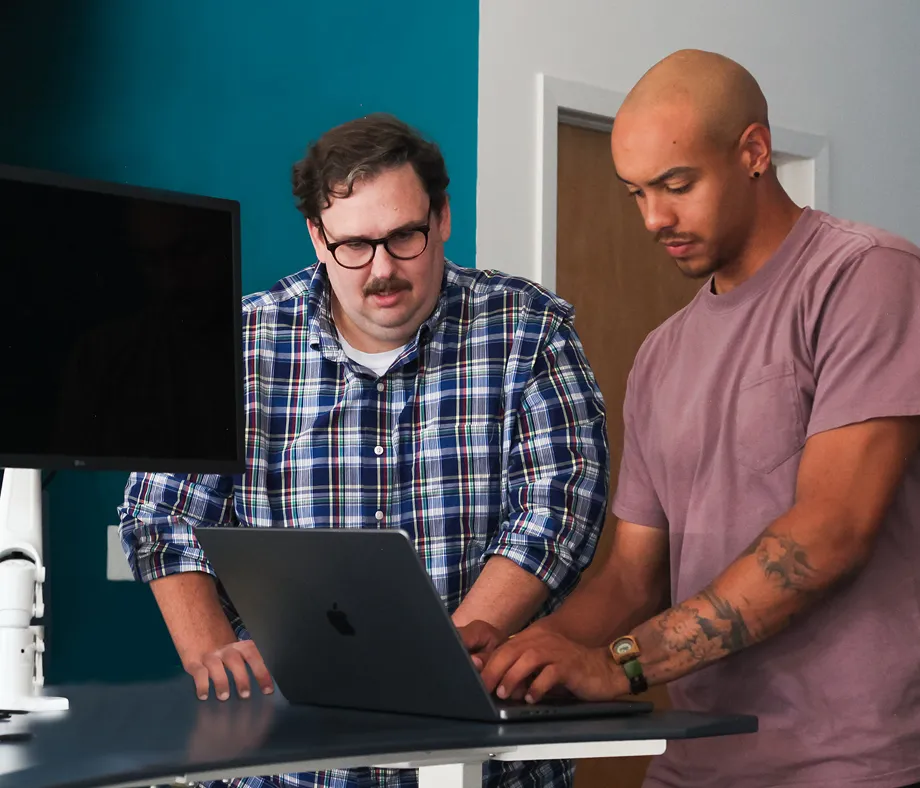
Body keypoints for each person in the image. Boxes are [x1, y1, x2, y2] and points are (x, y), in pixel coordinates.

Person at [464, 50, 920, 788]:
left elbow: (832, 531)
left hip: (848, 766)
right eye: (637, 193)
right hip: (696, 762)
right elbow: (633, 577)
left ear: (754, 152)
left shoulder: (867, 275)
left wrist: (623, 664)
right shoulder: (660, 354)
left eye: (677, 186)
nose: (655, 218)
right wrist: (526, 652)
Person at [117, 113, 609, 788]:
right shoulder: (236, 343)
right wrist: (217, 666)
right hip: (284, 765)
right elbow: (161, 515)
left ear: (441, 218)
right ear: (316, 236)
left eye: (404, 236)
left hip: (483, 759)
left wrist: (438, 670)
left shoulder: (528, 328)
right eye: (353, 244)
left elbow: (558, 508)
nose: (382, 270)